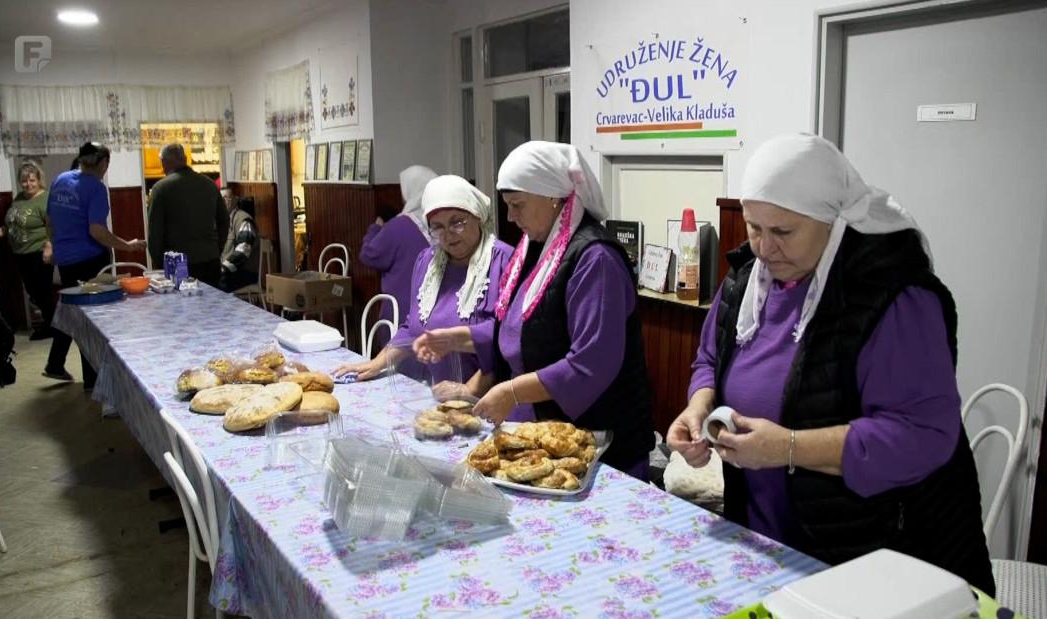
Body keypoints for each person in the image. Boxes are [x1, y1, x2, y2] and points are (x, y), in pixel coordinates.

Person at [666, 134, 994, 594]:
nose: (763, 248)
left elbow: (924, 435)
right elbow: (709, 359)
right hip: (771, 547)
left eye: (783, 232)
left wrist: (789, 447)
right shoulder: (746, 283)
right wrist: (698, 407)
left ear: (834, 222)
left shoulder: (893, 298)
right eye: (754, 227)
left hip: (875, 557)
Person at [413, 142, 655, 481]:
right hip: (541, 434)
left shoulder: (595, 259)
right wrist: (457, 339)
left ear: (552, 196)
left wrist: (511, 391)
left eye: (517, 205)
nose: (510, 217)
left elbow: (591, 362)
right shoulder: (534, 250)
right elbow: (515, 332)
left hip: (599, 443)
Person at [333, 175, 512, 387]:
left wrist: (469, 391)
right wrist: (378, 362)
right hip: (437, 393)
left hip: (488, 401)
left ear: (478, 216)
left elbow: (508, 338)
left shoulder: (503, 262)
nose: (448, 235)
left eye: (457, 222)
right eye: (437, 227)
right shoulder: (428, 262)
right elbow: (413, 325)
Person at [46, 142, 146, 387]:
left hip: (66, 261)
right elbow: (97, 231)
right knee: (97, 320)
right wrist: (128, 245)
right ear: (103, 163)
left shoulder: (60, 180)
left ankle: (72, 370)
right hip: (90, 261)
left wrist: (56, 245)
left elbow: (49, 219)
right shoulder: (96, 188)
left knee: (78, 316)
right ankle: (94, 379)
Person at [359, 165, 437, 351]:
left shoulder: (400, 226)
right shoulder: (440, 224)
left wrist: (376, 228)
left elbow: (369, 255)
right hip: (435, 312)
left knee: (397, 370)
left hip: (400, 313)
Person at [0, 161, 57, 341]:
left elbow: (53, 225)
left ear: (39, 179)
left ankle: (55, 327)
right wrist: (1, 231)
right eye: (24, 181)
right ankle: (51, 324)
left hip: (39, 252)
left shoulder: (45, 199)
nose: (28, 184)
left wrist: (49, 246)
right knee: (33, 292)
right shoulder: (19, 198)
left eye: (32, 180)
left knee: (42, 292)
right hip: (21, 253)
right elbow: (11, 222)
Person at [146, 143, 228, 288]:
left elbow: (155, 231)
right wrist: (217, 248)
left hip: (177, 262)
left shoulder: (161, 188)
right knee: (213, 306)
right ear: (184, 158)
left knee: (181, 307)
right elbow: (224, 220)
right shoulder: (209, 184)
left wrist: (160, 260)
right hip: (209, 260)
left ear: (164, 163)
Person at [218, 187, 260, 292]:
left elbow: (243, 250)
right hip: (229, 271)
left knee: (217, 283)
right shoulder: (223, 221)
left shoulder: (243, 219)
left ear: (235, 200)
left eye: (227, 198)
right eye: (220, 198)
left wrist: (222, 269)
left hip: (245, 272)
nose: (223, 201)